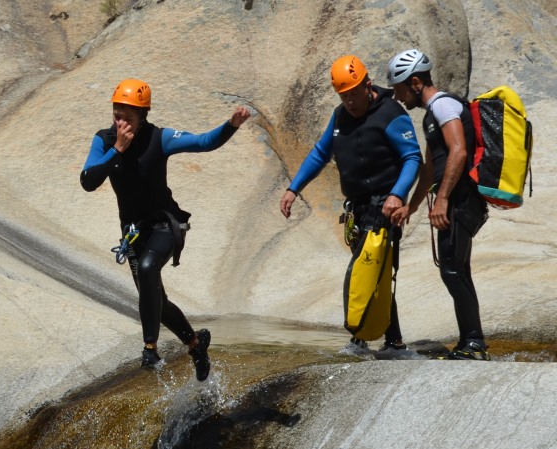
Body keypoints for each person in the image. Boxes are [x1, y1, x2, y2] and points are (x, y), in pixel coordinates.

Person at [80, 78, 251, 380]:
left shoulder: (160, 138)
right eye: (117, 115)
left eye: (128, 118)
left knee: (147, 268)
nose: (121, 123)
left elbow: (204, 142)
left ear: (143, 116)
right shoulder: (105, 140)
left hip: (165, 224)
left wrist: (231, 125)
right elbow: (88, 181)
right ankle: (196, 345)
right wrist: (117, 149)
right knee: (156, 300)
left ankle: (150, 349)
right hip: (132, 232)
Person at [279, 55, 422, 352]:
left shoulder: (390, 112)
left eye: (354, 94)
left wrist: (397, 195)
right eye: (344, 96)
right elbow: (320, 154)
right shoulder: (340, 115)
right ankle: (393, 343)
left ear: (368, 86)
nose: (350, 102)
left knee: (363, 268)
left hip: (385, 204)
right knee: (376, 272)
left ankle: (359, 339)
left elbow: (412, 158)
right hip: (358, 206)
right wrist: (294, 188)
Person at [386, 48, 490, 360]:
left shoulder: (443, 105)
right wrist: (412, 207)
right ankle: (470, 342)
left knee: (452, 270)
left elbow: (458, 152)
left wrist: (442, 199)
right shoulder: (432, 115)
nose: (399, 97)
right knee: (455, 269)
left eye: (401, 90)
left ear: (416, 83)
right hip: (455, 199)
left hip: (461, 200)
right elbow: (430, 168)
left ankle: (474, 344)